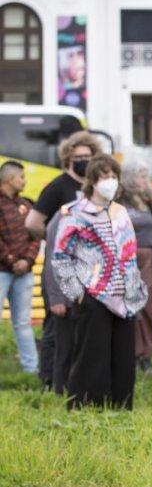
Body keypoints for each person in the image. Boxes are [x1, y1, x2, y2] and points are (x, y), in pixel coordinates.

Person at [52, 154, 148, 409]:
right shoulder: (75, 213)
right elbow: (61, 258)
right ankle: (85, 406)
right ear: (93, 180)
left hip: (124, 296)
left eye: (114, 177)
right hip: (93, 296)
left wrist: (135, 289)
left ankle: (120, 405)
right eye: (105, 177)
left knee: (122, 356)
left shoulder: (121, 213)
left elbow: (129, 255)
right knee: (91, 356)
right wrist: (77, 293)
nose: (111, 182)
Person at [27, 131, 100, 389]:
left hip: (86, 271)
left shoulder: (94, 186)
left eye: (87, 156)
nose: (82, 160)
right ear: (68, 157)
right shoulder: (58, 186)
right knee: (55, 326)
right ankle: (49, 378)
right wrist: (54, 237)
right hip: (58, 267)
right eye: (78, 156)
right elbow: (33, 222)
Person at [118, 160, 152, 374]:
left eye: (145, 176)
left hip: (149, 260)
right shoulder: (118, 202)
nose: (144, 181)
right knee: (129, 304)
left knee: (148, 306)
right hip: (126, 260)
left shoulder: (151, 204)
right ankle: (129, 353)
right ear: (129, 177)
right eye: (140, 175)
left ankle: (146, 355)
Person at [0, 161, 40, 375]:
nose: (24, 181)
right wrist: (10, 259)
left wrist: (27, 260)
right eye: (21, 177)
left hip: (24, 273)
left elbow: (35, 235)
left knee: (23, 322)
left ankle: (31, 369)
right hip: (1, 272)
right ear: (9, 179)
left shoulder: (26, 205)